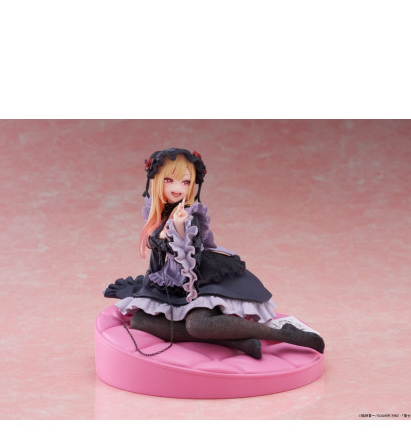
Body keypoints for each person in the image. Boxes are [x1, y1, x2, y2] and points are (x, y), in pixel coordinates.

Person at [104, 148, 325, 359]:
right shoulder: (158, 213)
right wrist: (149, 288)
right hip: (171, 282)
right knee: (140, 321)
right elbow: (158, 259)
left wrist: (179, 227)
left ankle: (284, 334)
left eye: (185, 182)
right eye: (169, 180)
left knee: (197, 325)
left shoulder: (190, 216)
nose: (178, 188)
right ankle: (237, 342)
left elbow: (189, 255)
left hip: (198, 278)